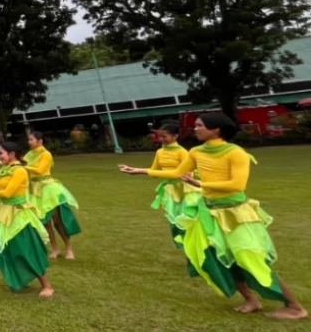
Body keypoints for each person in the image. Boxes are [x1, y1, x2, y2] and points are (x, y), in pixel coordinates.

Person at [120, 113, 306, 319]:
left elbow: (237, 185)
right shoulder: (196, 152)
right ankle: (251, 300)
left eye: (200, 125)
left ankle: (294, 307)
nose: (195, 129)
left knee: (251, 259)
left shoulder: (236, 153)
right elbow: (176, 173)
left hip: (236, 214)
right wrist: (138, 170)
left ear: (216, 129)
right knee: (219, 258)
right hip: (209, 212)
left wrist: (201, 184)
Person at [0, 141, 55, 297]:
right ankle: (18, 278)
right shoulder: (6, 169)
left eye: (1, 153)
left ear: (12, 154)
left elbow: (8, 193)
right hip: (5, 213)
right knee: (8, 248)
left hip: (18, 215)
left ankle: (46, 285)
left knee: (25, 249)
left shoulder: (20, 171)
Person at [135, 121, 201, 248]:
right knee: (174, 219)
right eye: (159, 136)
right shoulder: (159, 152)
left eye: (164, 136)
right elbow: (154, 172)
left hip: (186, 189)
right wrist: (138, 170)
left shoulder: (182, 152)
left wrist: (140, 171)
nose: (161, 139)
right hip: (170, 190)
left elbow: (186, 173)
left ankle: (192, 243)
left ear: (175, 136)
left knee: (187, 217)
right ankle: (183, 244)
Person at [22, 131, 81, 259]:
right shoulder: (29, 155)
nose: (29, 142)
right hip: (35, 190)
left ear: (40, 140)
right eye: (29, 139)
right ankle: (55, 249)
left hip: (48, 189)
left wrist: (23, 166)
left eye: (31, 139)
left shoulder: (46, 154)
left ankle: (69, 248)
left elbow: (39, 170)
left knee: (58, 221)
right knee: (45, 223)